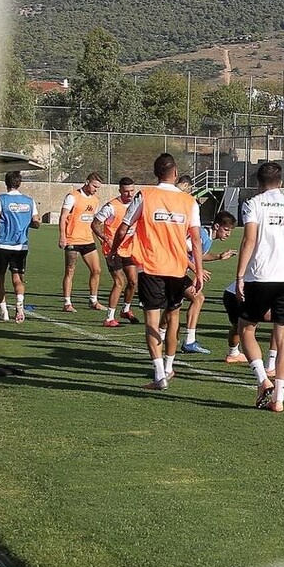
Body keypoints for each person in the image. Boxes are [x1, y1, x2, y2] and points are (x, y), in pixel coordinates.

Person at [111, 153, 204, 391]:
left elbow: (123, 229)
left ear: (155, 173)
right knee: (172, 318)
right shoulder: (189, 201)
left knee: (152, 321)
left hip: (151, 267)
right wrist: (200, 272)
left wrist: (114, 251)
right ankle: (170, 365)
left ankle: (159, 374)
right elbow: (195, 239)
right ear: (175, 173)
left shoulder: (145, 195)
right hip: (177, 268)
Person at [235, 162, 284, 412]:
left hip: (260, 276)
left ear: (258, 182)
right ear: (280, 182)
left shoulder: (254, 204)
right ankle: (279, 399)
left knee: (246, 328)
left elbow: (249, 240)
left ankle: (261, 379)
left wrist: (239, 276)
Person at [178, 210, 238, 354]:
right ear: (217, 226)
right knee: (198, 298)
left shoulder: (207, 237)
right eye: (226, 230)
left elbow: (199, 255)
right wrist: (197, 270)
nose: (228, 234)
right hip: (174, 271)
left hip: (178, 272)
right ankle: (189, 341)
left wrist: (218, 256)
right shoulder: (202, 235)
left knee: (173, 307)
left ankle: (163, 336)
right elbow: (180, 251)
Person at [0, 171, 40, 323]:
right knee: (18, 279)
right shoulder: (29, 201)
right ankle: (19, 307)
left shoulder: (0, 199)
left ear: (6, 183)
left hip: (2, 245)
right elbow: (36, 222)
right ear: (20, 183)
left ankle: (4, 313)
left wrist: (6, 221)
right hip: (21, 246)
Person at [92, 177, 138, 327]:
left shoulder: (137, 205)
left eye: (132, 191)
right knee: (119, 282)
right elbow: (95, 224)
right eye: (126, 191)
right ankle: (109, 318)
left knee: (133, 281)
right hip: (112, 250)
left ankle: (125, 310)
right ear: (120, 191)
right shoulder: (111, 207)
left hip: (129, 249)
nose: (129, 194)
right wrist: (106, 238)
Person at [58, 172, 104, 313]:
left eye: (98, 187)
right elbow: (63, 216)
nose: (96, 189)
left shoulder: (95, 199)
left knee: (96, 270)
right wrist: (62, 236)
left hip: (88, 240)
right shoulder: (72, 197)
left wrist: (100, 237)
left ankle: (93, 300)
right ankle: (67, 303)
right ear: (86, 182)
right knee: (70, 271)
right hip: (72, 239)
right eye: (94, 186)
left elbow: (93, 221)